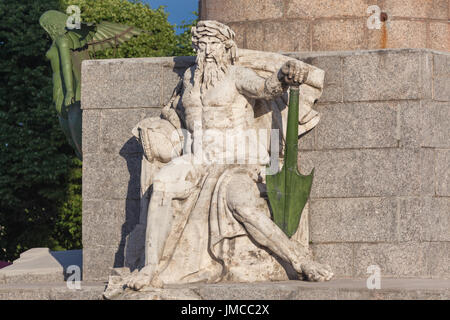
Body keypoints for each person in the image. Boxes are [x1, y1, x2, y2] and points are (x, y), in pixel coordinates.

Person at [126, 21, 333, 291]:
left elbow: (265, 89)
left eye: (213, 44)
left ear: (226, 48)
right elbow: (177, 115)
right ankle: (150, 269)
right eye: (201, 45)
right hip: (198, 158)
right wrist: (163, 125)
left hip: (237, 160)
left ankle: (300, 261)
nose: (207, 50)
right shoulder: (188, 80)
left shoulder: (236, 75)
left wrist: (283, 76)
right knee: (163, 183)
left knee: (241, 203)